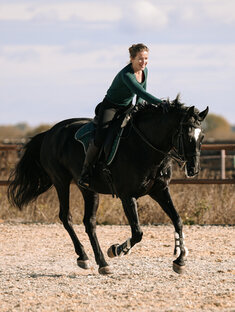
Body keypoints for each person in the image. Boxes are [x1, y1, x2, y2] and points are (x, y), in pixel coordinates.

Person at [79, 43, 169, 188]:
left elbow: (141, 96)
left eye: (146, 59)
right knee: (100, 136)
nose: (143, 62)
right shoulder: (126, 74)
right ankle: (85, 172)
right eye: (140, 59)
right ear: (132, 58)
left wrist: (139, 108)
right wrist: (160, 103)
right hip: (110, 107)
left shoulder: (145, 71)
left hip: (127, 107)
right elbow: (141, 92)